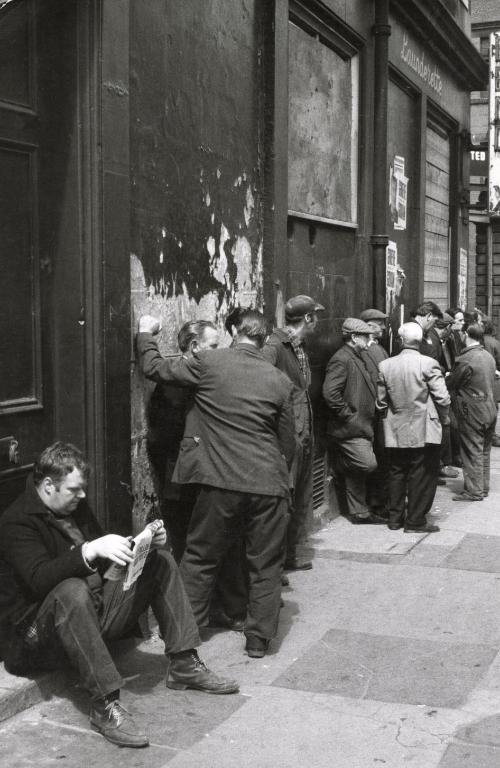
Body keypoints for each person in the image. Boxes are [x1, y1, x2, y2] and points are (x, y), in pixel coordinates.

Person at [0, 443, 238, 749]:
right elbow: (38, 579)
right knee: (69, 591)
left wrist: (140, 544)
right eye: (74, 489)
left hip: (88, 610)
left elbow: (102, 560)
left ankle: (184, 663)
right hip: (35, 636)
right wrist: (89, 550)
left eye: (83, 489)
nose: (82, 496)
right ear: (48, 485)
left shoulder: (73, 506)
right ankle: (105, 705)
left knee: (160, 561)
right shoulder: (16, 521)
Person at [137, 309, 296, 659]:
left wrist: (145, 334)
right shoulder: (280, 381)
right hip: (269, 483)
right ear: (263, 337)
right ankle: (258, 640)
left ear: (234, 331)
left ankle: (183, 639)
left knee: (200, 557)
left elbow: (155, 368)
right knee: (266, 564)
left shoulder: (209, 363)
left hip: (220, 481)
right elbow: (288, 444)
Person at [147, 320, 219, 561]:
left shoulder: (197, 375)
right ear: (196, 346)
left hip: (191, 472)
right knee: (185, 535)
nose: (219, 352)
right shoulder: (179, 380)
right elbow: (166, 435)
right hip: (183, 475)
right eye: (214, 345)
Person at [262, 294, 325, 571]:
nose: (318, 321)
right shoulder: (276, 346)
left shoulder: (298, 346)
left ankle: (287, 557)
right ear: (308, 318)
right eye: (316, 316)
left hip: (303, 434)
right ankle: (274, 568)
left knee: (298, 500)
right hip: (288, 437)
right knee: (284, 503)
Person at [376, 322, 450, 533]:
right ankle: (415, 521)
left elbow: (381, 401)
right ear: (419, 341)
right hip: (424, 428)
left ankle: (395, 518)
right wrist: (443, 419)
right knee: (422, 473)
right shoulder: (429, 364)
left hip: (396, 426)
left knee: (396, 471)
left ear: (401, 340)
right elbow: (443, 398)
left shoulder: (386, 365)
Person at [322, 318, 382, 524]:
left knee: (359, 469)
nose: (369, 340)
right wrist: (349, 415)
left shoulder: (357, 356)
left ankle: (359, 512)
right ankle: (341, 465)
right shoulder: (342, 359)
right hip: (351, 427)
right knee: (367, 464)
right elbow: (330, 393)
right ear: (354, 337)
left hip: (363, 424)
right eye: (365, 336)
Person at [447, 323, 497, 501]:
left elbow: (452, 383)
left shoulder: (466, 359)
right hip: (489, 408)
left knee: (471, 450)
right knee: (484, 450)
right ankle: (482, 488)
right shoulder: (487, 356)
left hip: (472, 410)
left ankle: (474, 491)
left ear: (465, 334)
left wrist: (447, 377)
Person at [483, 318, 500, 447]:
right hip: (493, 379)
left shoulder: (478, 341)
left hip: (479, 379)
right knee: (493, 406)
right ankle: (491, 434)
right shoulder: (494, 342)